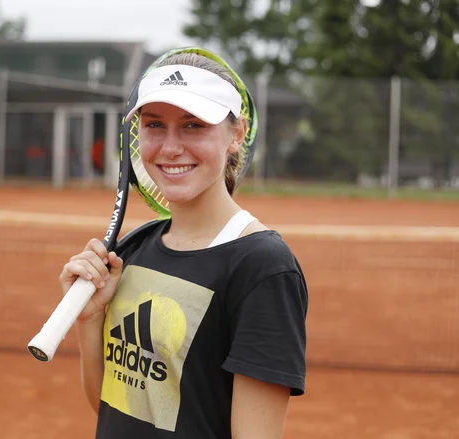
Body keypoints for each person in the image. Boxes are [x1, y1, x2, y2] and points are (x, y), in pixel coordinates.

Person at [59, 50, 308, 439]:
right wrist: (89, 320)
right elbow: (111, 407)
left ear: (237, 134)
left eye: (193, 125)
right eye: (154, 124)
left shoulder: (262, 267)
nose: (170, 147)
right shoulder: (132, 249)